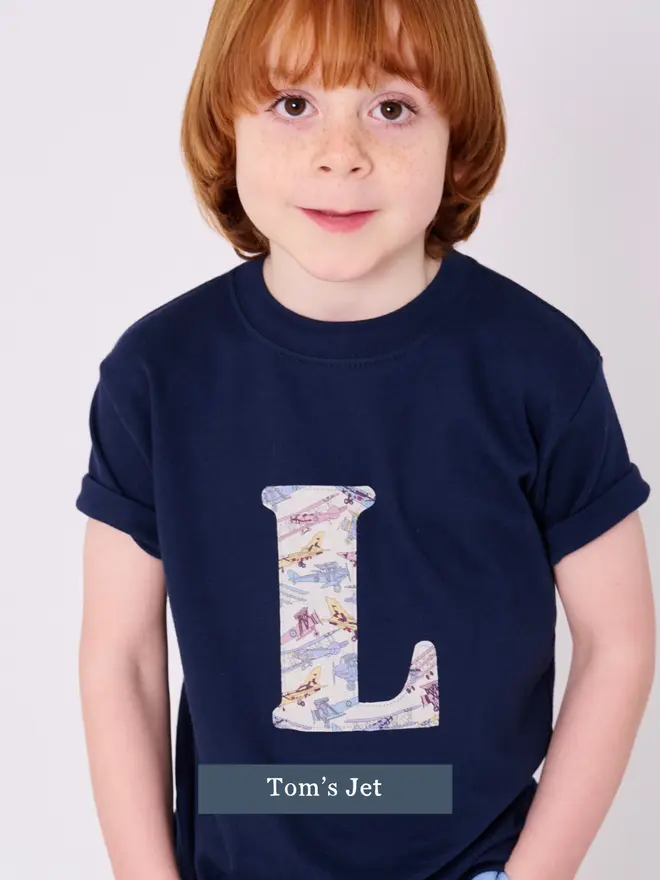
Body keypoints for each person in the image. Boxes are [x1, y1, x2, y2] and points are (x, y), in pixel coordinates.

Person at [75, 0, 655, 878]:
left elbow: (618, 637)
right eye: (294, 104)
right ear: (223, 127)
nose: (340, 153)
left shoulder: (538, 365)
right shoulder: (158, 375)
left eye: (392, 107)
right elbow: (121, 655)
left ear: (458, 136)